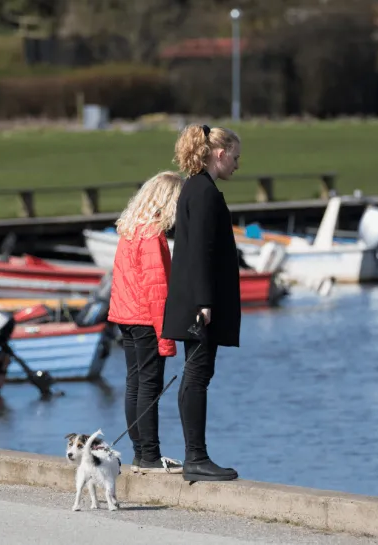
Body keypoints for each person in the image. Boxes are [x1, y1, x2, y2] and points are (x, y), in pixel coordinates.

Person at [162, 124, 242, 482]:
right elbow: (200, 252)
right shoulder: (204, 192)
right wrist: (205, 302)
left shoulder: (195, 188)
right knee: (197, 374)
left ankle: (195, 455)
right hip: (198, 304)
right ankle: (196, 457)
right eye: (235, 157)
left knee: (197, 374)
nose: (238, 165)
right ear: (220, 154)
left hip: (193, 300)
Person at [108, 171, 184, 474]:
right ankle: (150, 456)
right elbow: (157, 291)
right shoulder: (152, 234)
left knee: (134, 385)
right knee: (148, 387)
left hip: (125, 316)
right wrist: (166, 339)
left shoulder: (129, 228)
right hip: (145, 318)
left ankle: (141, 454)